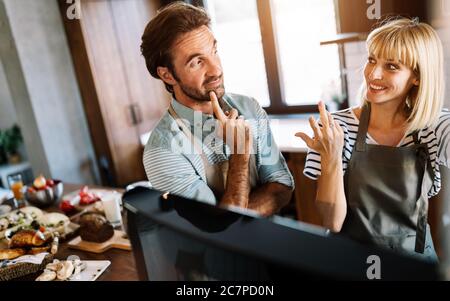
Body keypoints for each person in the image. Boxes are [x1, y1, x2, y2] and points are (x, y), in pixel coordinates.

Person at [296, 17, 450, 261]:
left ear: (417, 76)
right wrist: (332, 157)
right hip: (352, 263)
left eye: (391, 66)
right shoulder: (336, 128)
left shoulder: (434, 126)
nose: (373, 73)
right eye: (371, 60)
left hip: (416, 267)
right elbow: (331, 222)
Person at [141, 2, 294, 216]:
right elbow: (213, 229)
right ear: (167, 75)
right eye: (197, 62)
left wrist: (229, 214)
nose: (216, 70)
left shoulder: (249, 107)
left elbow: (282, 187)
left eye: (214, 51)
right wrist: (240, 153)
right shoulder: (162, 151)